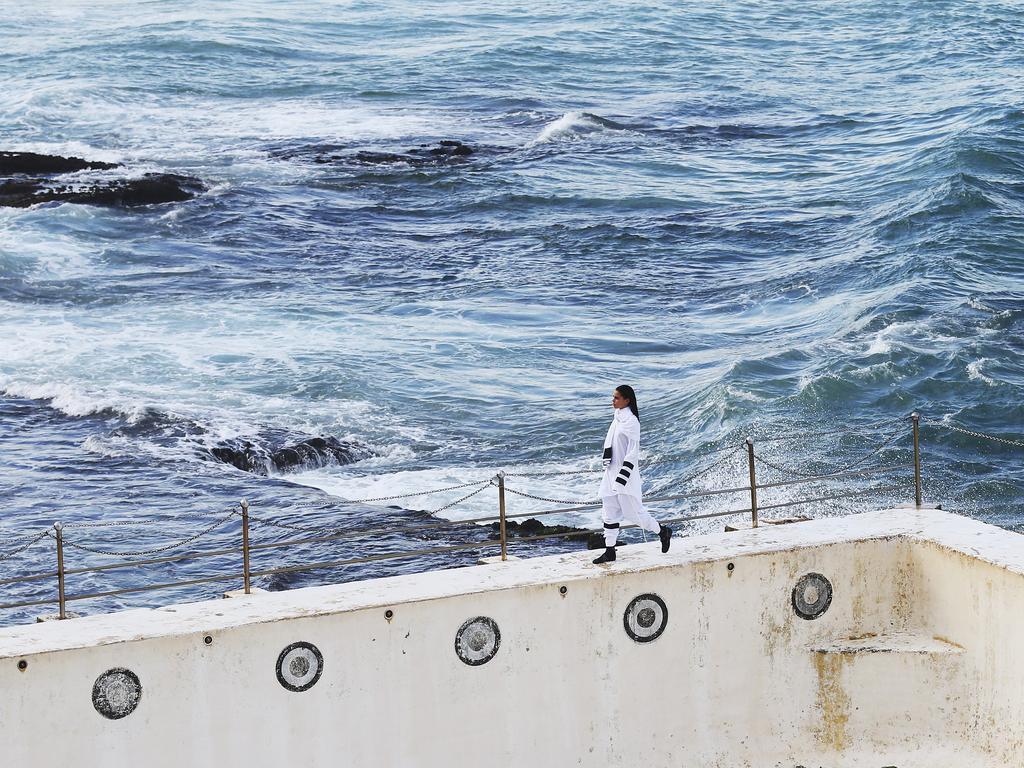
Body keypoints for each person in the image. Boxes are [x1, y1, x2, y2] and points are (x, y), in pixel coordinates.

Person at [593, 385, 671, 564]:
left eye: (616, 398)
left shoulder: (631, 422)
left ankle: (663, 531)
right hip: (611, 473)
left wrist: (622, 478)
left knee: (635, 514)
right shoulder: (617, 417)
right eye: (613, 397)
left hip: (624, 477)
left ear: (627, 400)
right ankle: (610, 551)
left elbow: (632, 453)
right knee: (609, 512)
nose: (613, 401)